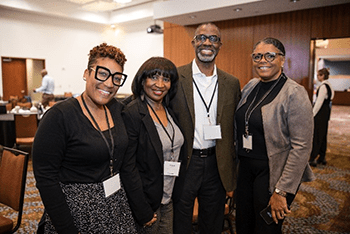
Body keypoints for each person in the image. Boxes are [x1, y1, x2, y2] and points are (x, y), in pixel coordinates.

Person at [33, 43, 137, 234]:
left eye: (116, 77)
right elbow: (46, 178)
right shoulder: (59, 116)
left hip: (116, 205)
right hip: (75, 211)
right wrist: (67, 229)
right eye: (102, 74)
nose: (109, 83)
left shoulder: (117, 110)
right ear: (86, 73)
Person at [234, 37, 315, 234]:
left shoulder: (295, 93)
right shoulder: (251, 86)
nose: (263, 60)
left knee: (266, 228)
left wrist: (282, 191)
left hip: (273, 174)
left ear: (282, 59)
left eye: (270, 55)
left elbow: (301, 147)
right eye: (258, 56)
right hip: (245, 169)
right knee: (243, 224)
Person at [170, 22, 241, 234]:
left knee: (213, 220)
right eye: (201, 38)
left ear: (220, 45)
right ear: (193, 43)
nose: (207, 42)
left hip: (216, 164)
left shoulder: (231, 82)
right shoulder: (176, 78)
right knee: (180, 219)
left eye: (213, 38)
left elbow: (234, 129)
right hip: (185, 162)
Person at [121, 57, 186, 234]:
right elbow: (128, 167)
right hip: (146, 203)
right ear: (142, 80)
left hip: (168, 199)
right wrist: (143, 211)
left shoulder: (168, 109)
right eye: (154, 77)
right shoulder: (133, 113)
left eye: (166, 79)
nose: (160, 84)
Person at [309, 68, 335, 167]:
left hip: (320, 113)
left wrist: (312, 114)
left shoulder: (323, 86)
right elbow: (331, 97)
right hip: (326, 112)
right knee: (323, 134)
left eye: (318, 75)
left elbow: (318, 103)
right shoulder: (329, 85)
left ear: (322, 76)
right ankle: (322, 157)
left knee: (317, 135)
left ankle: (313, 158)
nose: (317, 77)